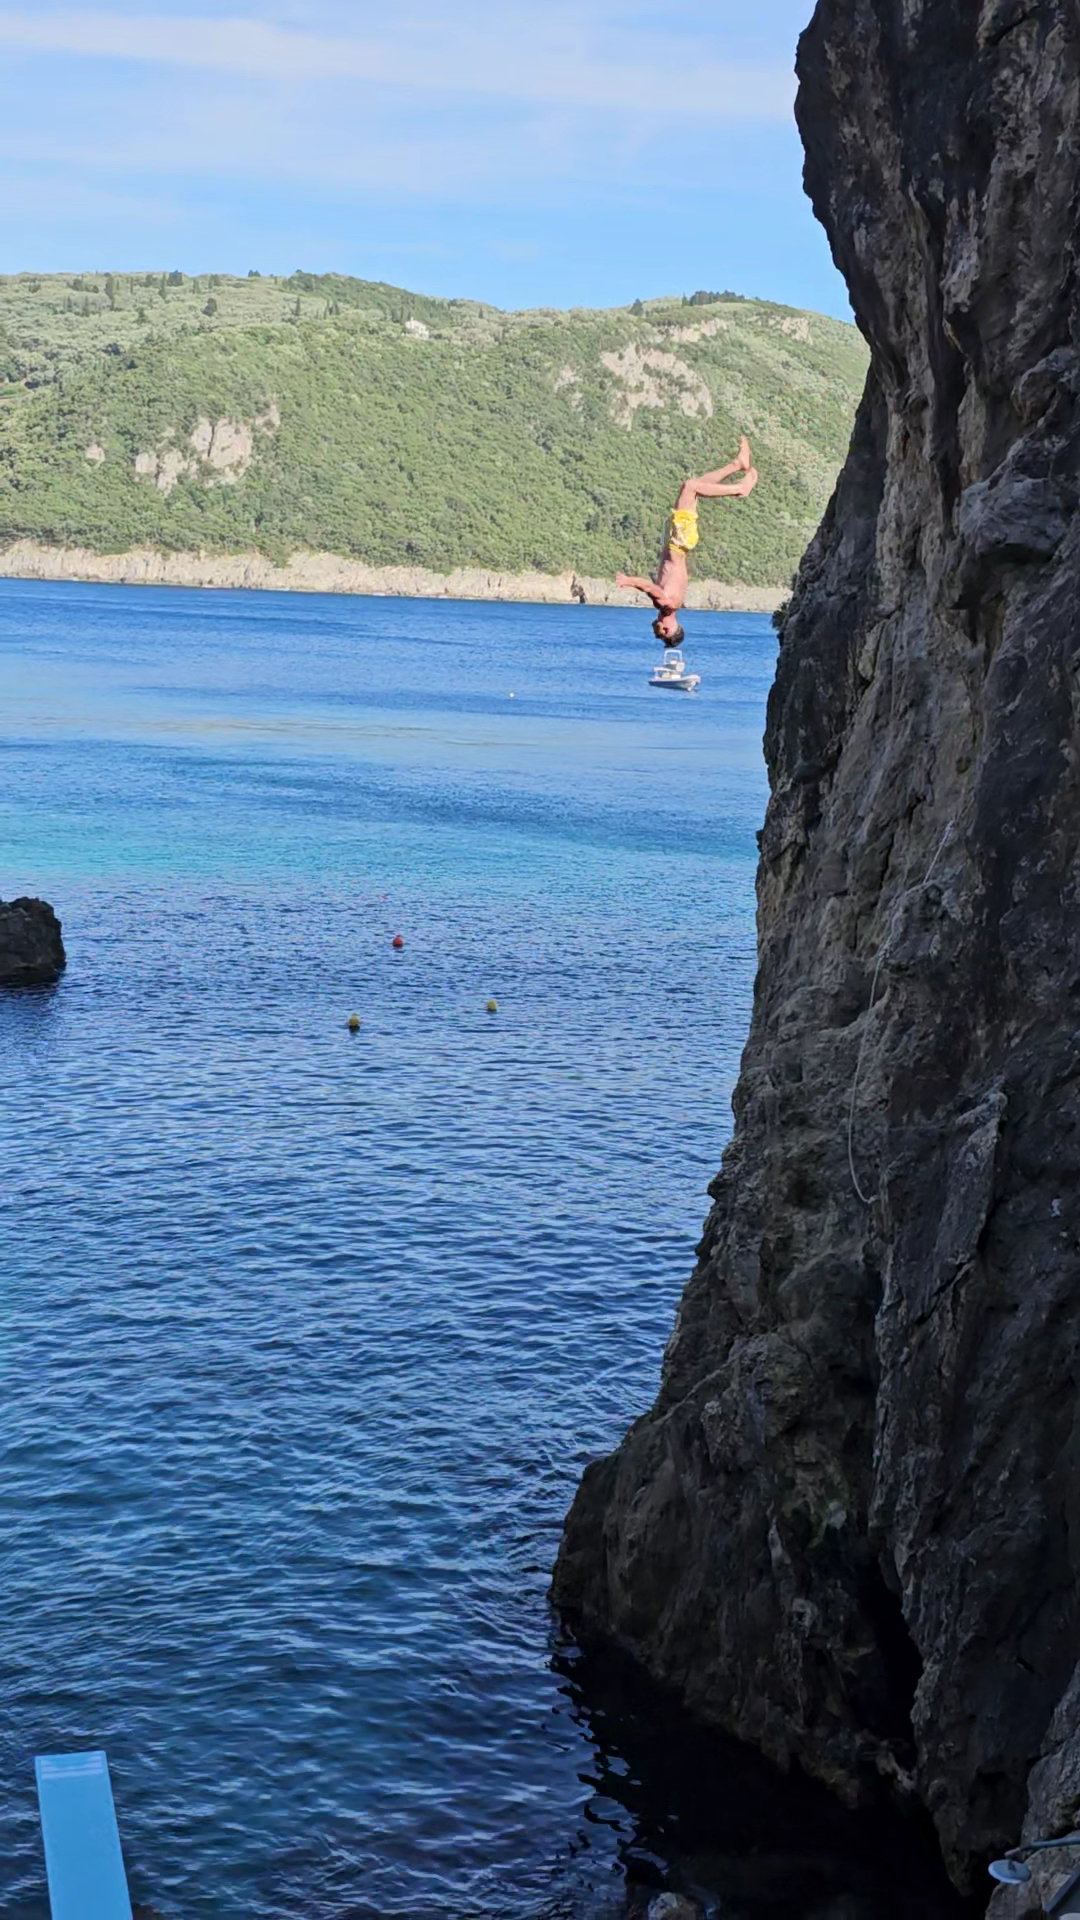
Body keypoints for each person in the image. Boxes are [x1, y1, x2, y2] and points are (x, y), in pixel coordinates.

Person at [616, 437, 759, 646]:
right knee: (691, 488)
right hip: (679, 541)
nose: (656, 632)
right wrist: (628, 581)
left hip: (680, 542)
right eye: (661, 635)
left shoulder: (672, 605)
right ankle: (739, 489)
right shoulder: (667, 606)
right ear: (668, 630)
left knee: (693, 488)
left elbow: (653, 586)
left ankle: (737, 465)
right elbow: (650, 588)